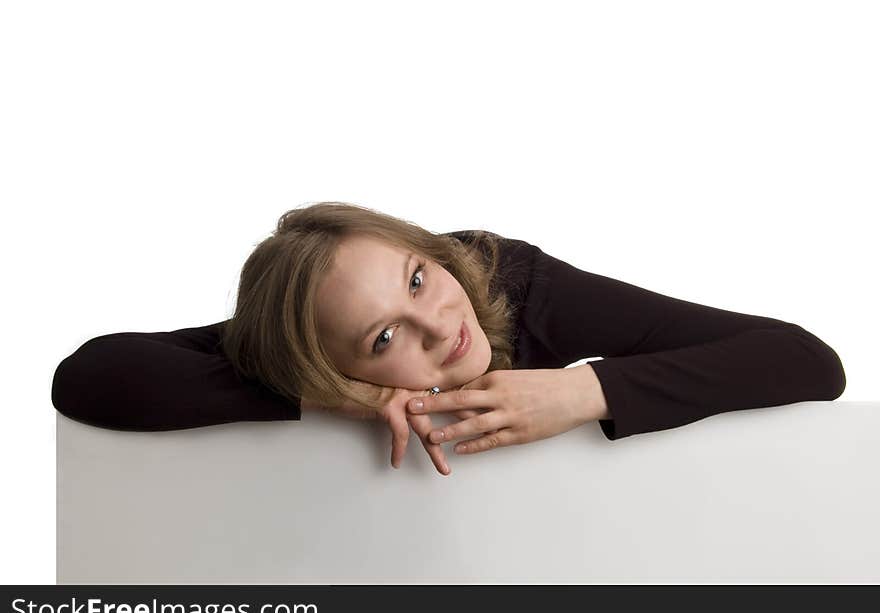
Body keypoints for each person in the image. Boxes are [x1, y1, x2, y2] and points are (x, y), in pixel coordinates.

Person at [51, 201, 847, 476]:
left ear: (429, 250)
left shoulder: (505, 279)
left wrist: (581, 390)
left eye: (419, 278)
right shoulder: (305, 343)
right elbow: (90, 374)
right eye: (384, 334)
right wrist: (345, 396)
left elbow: (807, 359)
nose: (440, 324)